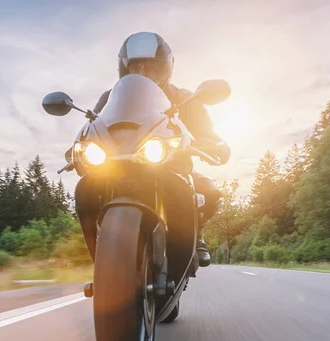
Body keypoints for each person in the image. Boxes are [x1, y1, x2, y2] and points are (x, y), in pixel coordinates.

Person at [92, 32, 230, 266]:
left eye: (153, 67)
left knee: (209, 192)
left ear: (166, 68)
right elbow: (94, 125)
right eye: (137, 67)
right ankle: (104, 241)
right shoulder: (111, 98)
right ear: (125, 69)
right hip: (117, 167)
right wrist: (81, 145)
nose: (144, 73)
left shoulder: (185, 98)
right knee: (88, 189)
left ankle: (196, 236)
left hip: (171, 166)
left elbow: (207, 132)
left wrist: (213, 143)